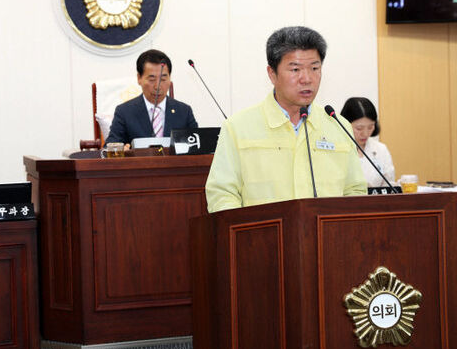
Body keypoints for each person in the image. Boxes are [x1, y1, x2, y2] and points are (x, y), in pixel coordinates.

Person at [205, 26, 367, 213]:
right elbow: (222, 195)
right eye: (295, 69)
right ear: (272, 74)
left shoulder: (338, 126)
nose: (307, 78)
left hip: (326, 239)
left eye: (315, 68)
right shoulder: (238, 128)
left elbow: (355, 191)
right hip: (262, 239)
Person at [105, 49, 198, 145]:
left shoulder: (184, 111)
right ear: (139, 78)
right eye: (152, 79)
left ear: (170, 79)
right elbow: (110, 146)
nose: (157, 86)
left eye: (163, 79)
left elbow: (198, 145)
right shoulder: (124, 112)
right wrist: (122, 149)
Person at [340, 97, 395, 187]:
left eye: (370, 127)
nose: (365, 133)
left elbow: (389, 184)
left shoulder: (381, 149)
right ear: (345, 123)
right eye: (359, 128)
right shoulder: (337, 149)